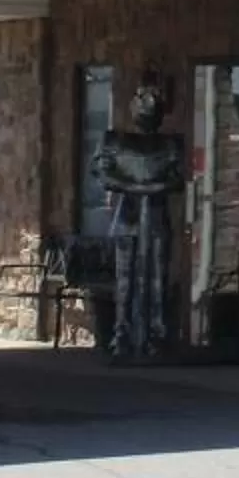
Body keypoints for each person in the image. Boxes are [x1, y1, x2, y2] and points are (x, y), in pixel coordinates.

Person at [87, 75, 185, 357]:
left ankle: (156, 334)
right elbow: (103, 174)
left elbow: (178, 180)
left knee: (157, 278)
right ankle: (122, 333)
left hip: (155, 216)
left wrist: (146, 187)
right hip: (128, 215)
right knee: (125, 279)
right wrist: (141, 187)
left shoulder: (170, 145)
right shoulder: (115, 141)